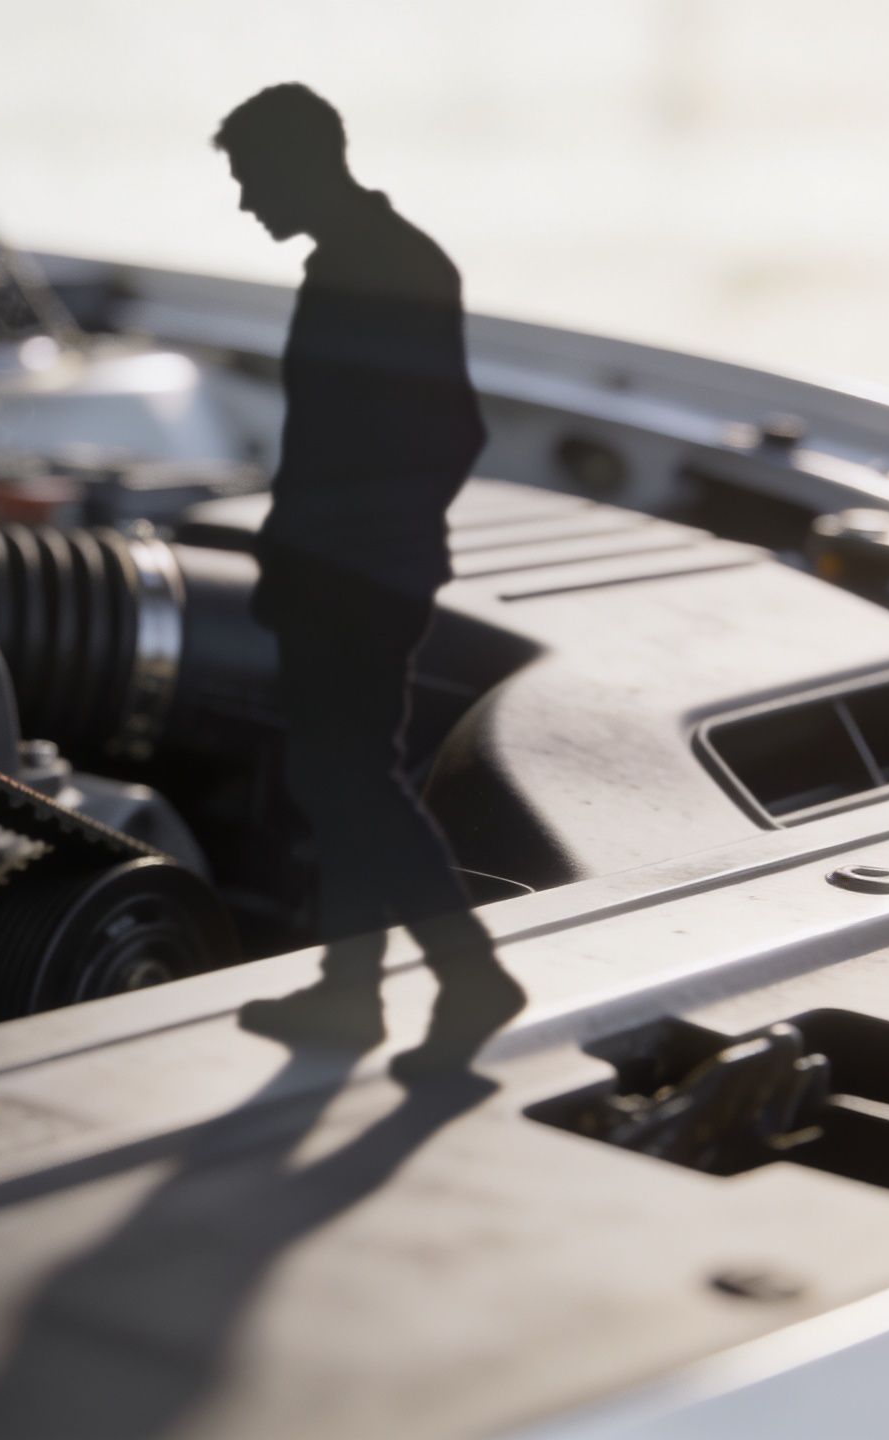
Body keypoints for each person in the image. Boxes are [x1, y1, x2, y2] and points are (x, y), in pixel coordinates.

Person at [214, 83, 523, 1071]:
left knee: (352, 780)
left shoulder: (372, 271)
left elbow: (434, 434)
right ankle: (350, 994)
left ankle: (468, 975)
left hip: (354, 572)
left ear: (301, 163)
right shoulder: (374, 261)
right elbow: (428, 433)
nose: (245, 201)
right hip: (351, 563)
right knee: (337, 775)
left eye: (252, 177)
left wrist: (341, 544)